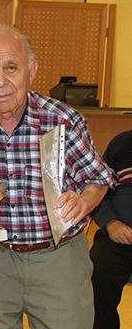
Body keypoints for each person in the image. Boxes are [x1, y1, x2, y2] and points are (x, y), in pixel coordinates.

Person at [0, 24, 114, 329]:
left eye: (11, 68)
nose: (1, 82)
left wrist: (84, 201)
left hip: (59, 260)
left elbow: (99, 179)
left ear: (31, 70)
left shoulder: (63, 120)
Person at [90, 129, 132, 329]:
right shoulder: (121, 144)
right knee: (97, 269)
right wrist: (110, 222)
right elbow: (99, 189)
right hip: (119, 234)